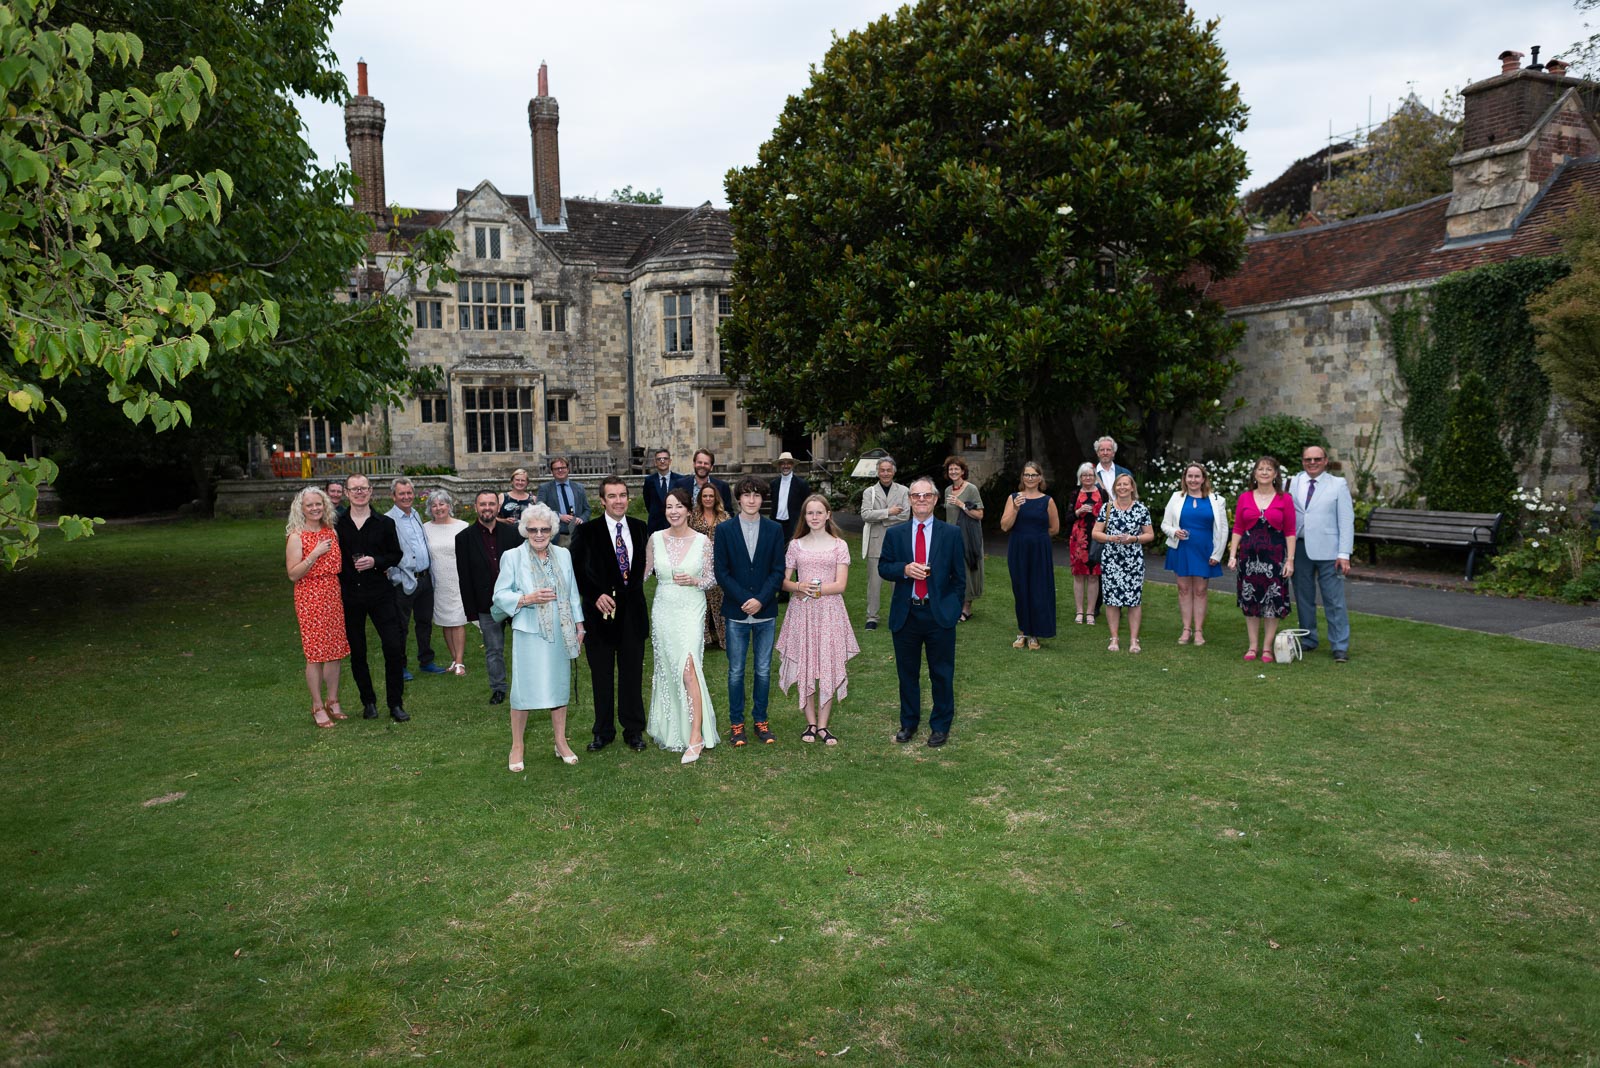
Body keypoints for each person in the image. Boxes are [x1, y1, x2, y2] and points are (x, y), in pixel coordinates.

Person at [493, 504, 585, 769]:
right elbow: (499, 595)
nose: (539, 534)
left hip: (561, 631)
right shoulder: (512, 557)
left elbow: (571, 592)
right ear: (524, 530)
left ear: (553, 530)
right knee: (523, 691)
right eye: (533, 529)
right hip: (529, 632)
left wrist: (580, 626)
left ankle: (560, 741)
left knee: (558, 687)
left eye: (544, 529)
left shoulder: (563, 555)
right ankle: (517, 745)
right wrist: (527, 599)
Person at [879, 477, 965, 747]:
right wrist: (904, 570)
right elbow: (884, 567)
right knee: (907, 674)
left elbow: (959, 578)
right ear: (910, 500)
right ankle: (909, 723)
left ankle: (940, 726)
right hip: (907, 614)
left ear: (936, 499)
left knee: (941, 673)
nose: (921, 500)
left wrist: (952, 609)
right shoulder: (896, 534)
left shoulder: (950, 534)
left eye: (926, 495)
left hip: (939, 614)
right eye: (916, 496)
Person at [571, 476, 650, 752]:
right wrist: (594, 596)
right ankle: (603, 732)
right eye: (612, 496)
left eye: (623, 495)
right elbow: (576, 571)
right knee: (602, 677)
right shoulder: (588, 531)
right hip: (600, 617)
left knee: (631, 676)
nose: (619, 501)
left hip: (632, 616)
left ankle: (633, 730)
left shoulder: (641, 529)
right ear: (602, 501)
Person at [776, 494, 859, 744]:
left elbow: (841, 584)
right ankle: (810, 724)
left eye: (818, 512)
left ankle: (824, 726)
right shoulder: (795, 545)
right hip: (801, 612)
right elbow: (783, 581)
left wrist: (817, 590)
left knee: (827, 665)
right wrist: (799, 585)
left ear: (828, 515)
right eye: (809, 513)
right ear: (805, 516)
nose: (814, 517)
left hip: (830, 612)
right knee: (805, 665)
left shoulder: (839, 545)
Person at [645, 487, 721, 763]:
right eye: (669, 507)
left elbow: (712, 578)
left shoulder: (703, 542)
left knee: (689, 668)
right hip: (664, 608)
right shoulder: (655, 539)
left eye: (678, 506)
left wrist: (695, 581)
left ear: (689, 510)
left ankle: (695, 736)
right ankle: (671, 727)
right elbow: (642, 574)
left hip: (691, 607)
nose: (673, 511)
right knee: (668, 667)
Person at [713, 476, 785, 747]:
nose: (752, 499)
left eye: (757, 495)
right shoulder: (725, 530)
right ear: (738, 499)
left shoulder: (774, 530)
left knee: (764, 670)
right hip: (737, 612)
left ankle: (761, 721)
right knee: (736, 671)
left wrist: (761, 599)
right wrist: (746, 599)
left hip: (765, 613)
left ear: (762, 499)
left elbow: (778, 570)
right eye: (746, 495)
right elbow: (722, 571)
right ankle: (736, 724)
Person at [334, 474, 409, 721]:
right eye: (354, 489)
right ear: (346, 492)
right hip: (350, 595)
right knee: (358, 651)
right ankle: (368, 702)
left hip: (380, 593)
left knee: (394, 647)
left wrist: (376, 561)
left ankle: (395, 704)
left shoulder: (384, 523)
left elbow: (395, 555)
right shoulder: (336, 524)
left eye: (363, 488)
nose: (359, 492)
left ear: (371, 491)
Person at [285, 487, 349, 728]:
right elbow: (293, 574)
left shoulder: (331, 531)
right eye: (309, 505)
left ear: (325, 506)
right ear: (301, 508)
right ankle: (317, 705)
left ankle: (333, 700)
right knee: (315, 653)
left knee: (335, 651)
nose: (314, 508)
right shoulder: (296, 536)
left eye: (318, 504)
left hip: (332, 593)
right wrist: (313, 554)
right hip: (310, 596)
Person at [455, 489, 524, 705]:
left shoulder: (513, 534)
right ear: (476, 507)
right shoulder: (464, 538)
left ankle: (527, 686)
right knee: (494, 650)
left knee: (525, 645)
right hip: (487, 605)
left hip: (517, 602)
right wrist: (471, 611)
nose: (487, 508)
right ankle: (498, 689)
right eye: (483, 504)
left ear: (497, 507)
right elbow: (464, 576)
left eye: (491, 504)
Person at [1227, 456, 1297, 662]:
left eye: (1269, 469)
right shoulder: (1245, 498)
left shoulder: (1285, 499)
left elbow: (1290, 531)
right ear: (1254, 474)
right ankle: (1252, 646)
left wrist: (1290, 560)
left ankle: (1267, 647)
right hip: (1248, 558)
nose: (1264, 472)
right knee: (1250, 601)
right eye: (1260, 469)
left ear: (1275, 474)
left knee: (1272, 602)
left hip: (1274, 559)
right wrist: (1232, 554)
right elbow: (1238, 527)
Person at [1290, 444, 1354, 663]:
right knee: (1303, 597)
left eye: (1317, 459)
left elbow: (1346, 520)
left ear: (1326, 460)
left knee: (1334, 599)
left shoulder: (1338, 484)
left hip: (1329, 551)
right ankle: (1308, 639)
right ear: (1302, 462)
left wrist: (1344, 553)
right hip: (1299, 548)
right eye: (1308, 459)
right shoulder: (1293, 481)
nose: (1313, 463)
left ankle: (1339, 645)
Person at [1161, 462, 1227, 646]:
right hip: (1182, 549)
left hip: (1205, 550)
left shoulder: (1216, 500)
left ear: (1203, 478)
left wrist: (1217, 554)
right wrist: (1174, 532)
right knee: (1183, 589)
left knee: (1200, 590)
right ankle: (1186, 629)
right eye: (1189, 476)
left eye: (1197, 476)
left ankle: (1198, 631)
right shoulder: (1176, 497)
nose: (1193, 480)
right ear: (1185, 478)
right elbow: (1164, 524)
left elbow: (1223, 530)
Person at [387, 477, 444, 679]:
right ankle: (400, 666)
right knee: (401, 626)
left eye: (409, 493)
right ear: (393, 496)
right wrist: (396, 576)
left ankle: (426, 661)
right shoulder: (388, 520)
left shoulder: (416, 515)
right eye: (401, 493)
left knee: (424, 622)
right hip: (404, 581)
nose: (406, 497)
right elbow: (386, 553)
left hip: (425, 579)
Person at [1000, 461, 1060, 650]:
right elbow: (1004, 526)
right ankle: (1022, 631)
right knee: (1021, 589)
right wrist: (1016, 509)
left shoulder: (1047, 500)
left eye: (1034, 475)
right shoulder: (1014, 498)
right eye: (1027, 475)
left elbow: (1055, 528)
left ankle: (1035, 634)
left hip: (1039, 550)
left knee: (1038, 590)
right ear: (1022, 478)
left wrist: (1037, 539)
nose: (1030, 478)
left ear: (1040, 478)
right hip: (1018, 549)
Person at [1093, 473, 1154, 653]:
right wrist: (1110, 537)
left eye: (1126, 484)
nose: (1122, 487)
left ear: (1132, 487)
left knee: (1134, 601)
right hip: (1112, 559)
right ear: (1115, 488)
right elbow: (1096, 533)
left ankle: (1134, 640)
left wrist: (1134, 538)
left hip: (1133, 560)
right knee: (1112, 599)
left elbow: (1149, 535)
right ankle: (1114, 638)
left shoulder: (1141, 509)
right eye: (1119, 485)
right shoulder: (1107, 508)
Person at [858, 456, 909, 632]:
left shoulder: (903, 491)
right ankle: (872, 616)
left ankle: (899, 614)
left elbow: (906, 515)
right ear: (877, 472)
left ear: (894, 471)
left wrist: (880, 517)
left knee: (899, 581)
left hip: (898, 543)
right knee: (874, 582)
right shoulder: (869, 492)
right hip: (876, 542)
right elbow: (865, 515)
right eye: (882, 470)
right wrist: (889, 512)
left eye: (888, 470)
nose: (885, 473)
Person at [424, 489, 470, 675]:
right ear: (429, 509)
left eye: (442, 504)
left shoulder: (462, 526)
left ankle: (460, 661)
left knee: (458, 619)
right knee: (445, 620)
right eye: (434, 505)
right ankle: (453, 659)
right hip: (437, 581)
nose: (438, 508)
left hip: (458, 579)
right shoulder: (425, 528)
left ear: (449, 506)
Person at [688, 482, 731, 649]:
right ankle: (704, 639)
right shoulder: (693, 517)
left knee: (719, 601)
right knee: (702, 602)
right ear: (700, 498)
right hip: (699, 565)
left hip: (720, 564)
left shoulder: (724, 516)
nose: (707, 499)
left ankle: (723, 638)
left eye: (711, 496)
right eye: (704, 496)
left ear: (716, 498)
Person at [943, 455, 984, 622]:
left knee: (967, 571)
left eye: (956, 469)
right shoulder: (947, 490)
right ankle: (956, 604)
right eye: (950, 469)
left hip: (968, 537)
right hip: (951, 537)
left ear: (963, 471)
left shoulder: (971, 489)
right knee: (954, 572)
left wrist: (961, 504)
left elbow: (980, 514)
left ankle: (967, 608)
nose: (953, 471)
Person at [1067, 463, 1106, 625]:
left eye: (1090, 475)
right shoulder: (1075, 493)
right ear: (1080, 477)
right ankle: (1079, 611)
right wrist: (1078, 512)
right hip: (1079, 539)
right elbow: (1068, 518)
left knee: (1094, 576)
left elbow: (1109, 515)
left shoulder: (1102, 493)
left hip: (1096, 538)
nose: (1088, 478)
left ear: (1095, 477)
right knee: (1079, 575)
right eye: (1084, 475)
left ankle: (1090, 612)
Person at [535, 456, 588, 546]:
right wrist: (559, 516)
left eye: (563, 468)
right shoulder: (545, 488)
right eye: (556, 469)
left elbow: (587, 509)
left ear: (568, 469)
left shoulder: (579, 488)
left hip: (578, 534)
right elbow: (540, 508)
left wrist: (582, 519)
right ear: (552, 472)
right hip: (556, 536)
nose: (560, 470)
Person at [766, 451, 811, 542]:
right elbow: (774, 504)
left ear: (792, 465)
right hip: (776, 523)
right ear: (779, 465)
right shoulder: (774, 484)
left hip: (793, 524)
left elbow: (806, 505)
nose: (785, 466)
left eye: (788, 463)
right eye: (783, 463)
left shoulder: (801, 484)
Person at [643, 447, 689, 535]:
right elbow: (647, 501)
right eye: (659, 459)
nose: (662, 461)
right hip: (655, 524)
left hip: (675, 521)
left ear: (670, 461)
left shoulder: (680, 480)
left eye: (665, 458)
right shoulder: (649, 481)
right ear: (655, 462)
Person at [690, 448, 733, 513]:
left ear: (711, 467)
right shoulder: (681, 484)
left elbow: (729, 512)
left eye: (706, 463)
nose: (702, 465)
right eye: (699, 462)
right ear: (694, 464)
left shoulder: (723, 487)